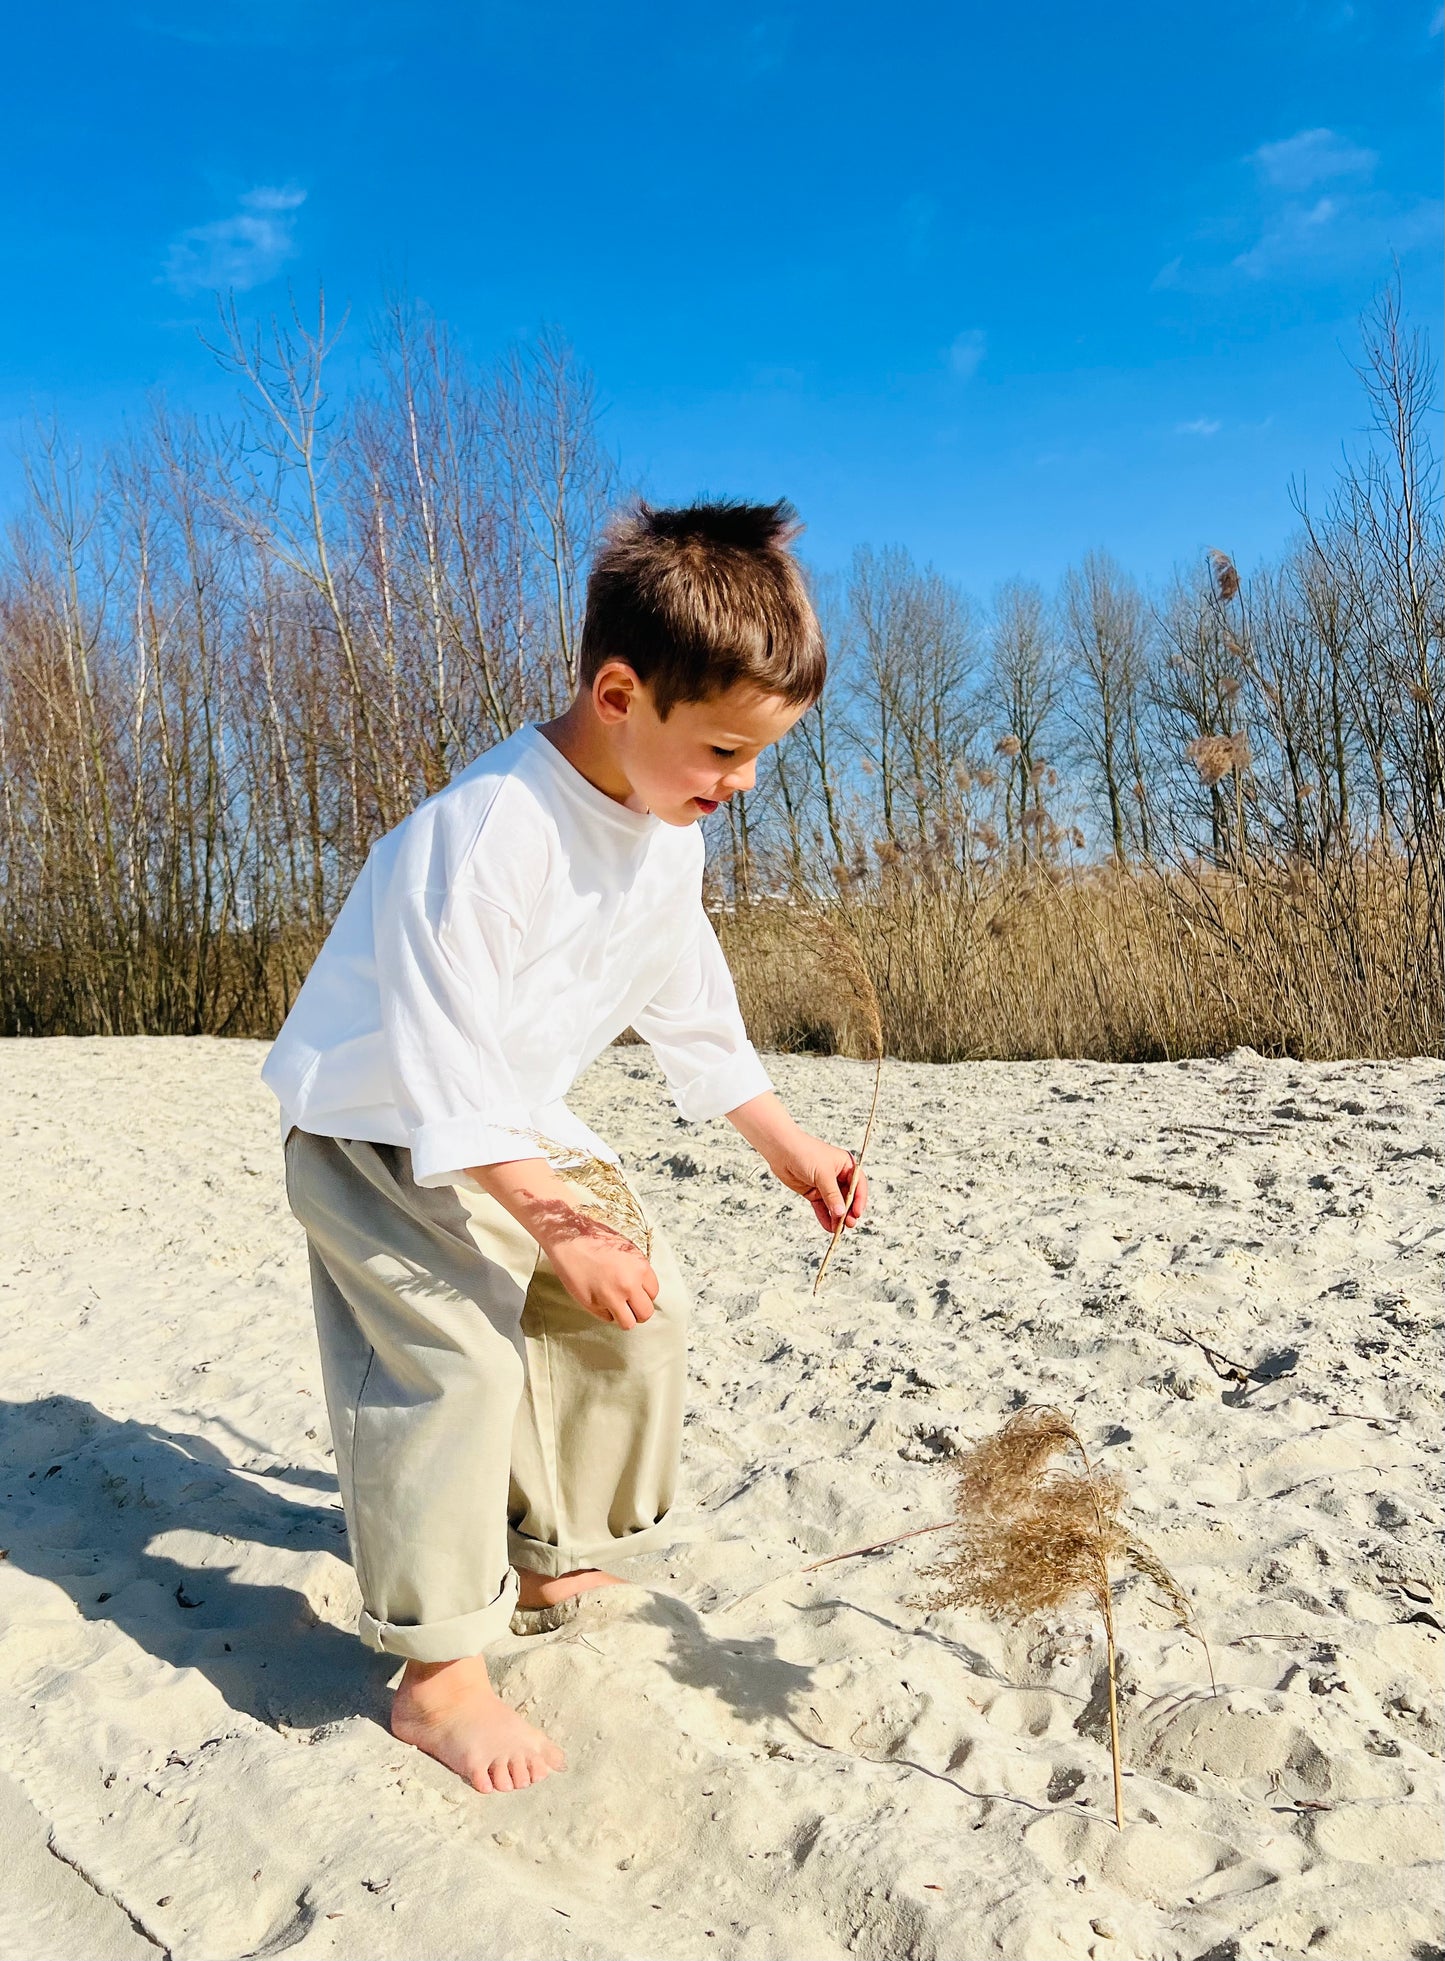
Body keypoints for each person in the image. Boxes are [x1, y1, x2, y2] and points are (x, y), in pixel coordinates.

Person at [262, 499, 869, 1795]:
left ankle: (554, 1545)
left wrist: (782, 1138)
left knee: (637, 1310)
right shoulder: (480, 834)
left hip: (516, 1119)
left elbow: (685, 999)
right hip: (378, 1123)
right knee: (459, 1368)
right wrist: (547, 1219)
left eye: (759, 756)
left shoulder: (663, 838)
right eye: (720, 747)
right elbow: (437, 1063)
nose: (738, 782)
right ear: (616, 692)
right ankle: (437, 1675)